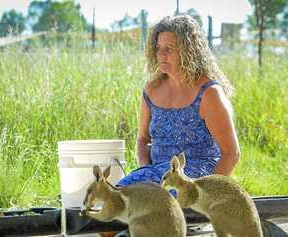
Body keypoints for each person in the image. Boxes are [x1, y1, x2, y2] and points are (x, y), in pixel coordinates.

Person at [103, 14, 240, 237]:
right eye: (158, 48)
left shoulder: (209, 93)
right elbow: (142, 138)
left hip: (193, 175)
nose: (161, 54)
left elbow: (231, 154)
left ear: (189, 51)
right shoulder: (152, 89)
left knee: (154, 218)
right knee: (108, 212)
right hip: (157, 173)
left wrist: (206, 195)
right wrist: (145, 171)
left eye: (169, 48)